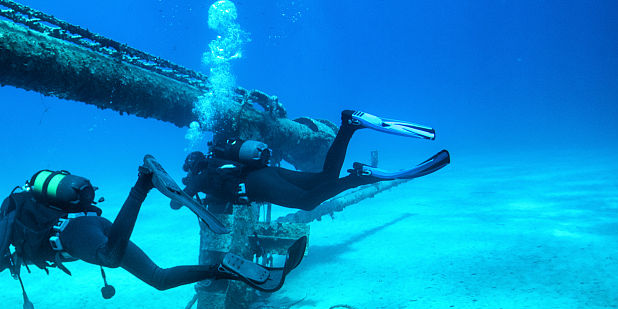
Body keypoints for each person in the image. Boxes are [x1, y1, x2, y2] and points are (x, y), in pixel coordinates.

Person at [0, 157, 307, 309]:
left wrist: (5, 229)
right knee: (159, 278)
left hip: (72, 235)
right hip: (95, 223)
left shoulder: (11, 215)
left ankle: (143, 184)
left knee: (110, 257)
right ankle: (223, 269)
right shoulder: (33, 208)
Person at [180, 109, 451, 213]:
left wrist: (185, 186)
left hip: (256, 185)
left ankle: (360, 177)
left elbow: (175, 203)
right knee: (326, 177)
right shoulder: (217, 161)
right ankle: (349, 125)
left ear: (193, 167)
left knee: (306, 202)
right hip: (265, 172)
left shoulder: (199, 178)